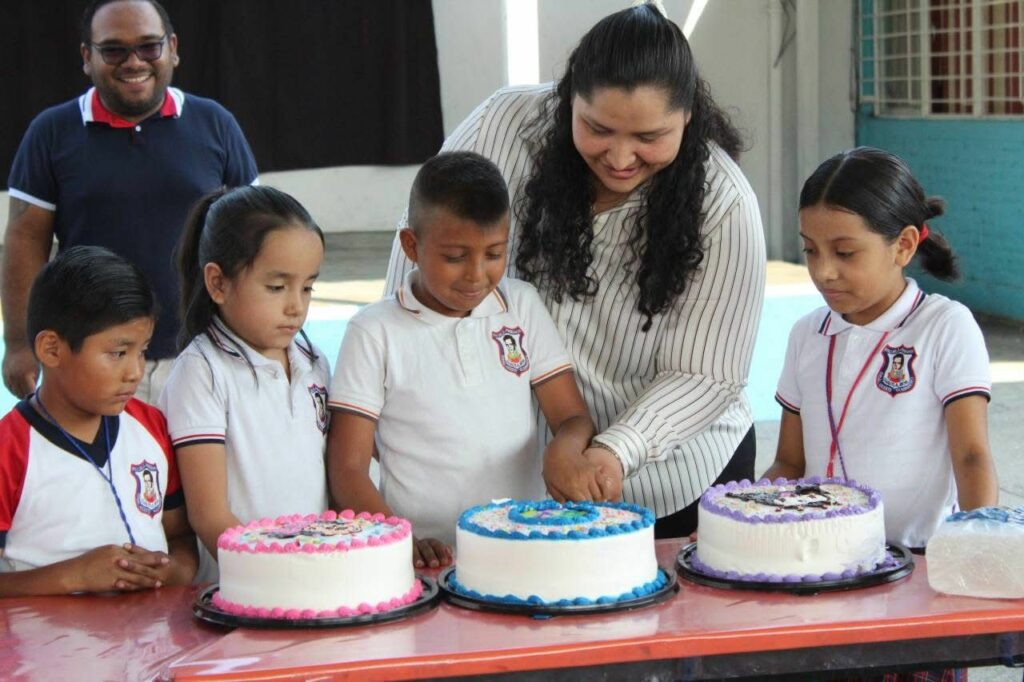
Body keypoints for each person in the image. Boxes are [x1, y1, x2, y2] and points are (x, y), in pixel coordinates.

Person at [384, 3, 766, 538]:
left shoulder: (723, 204)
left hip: (675, 477)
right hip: (519, 476)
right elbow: (424, 253)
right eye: (597, 128)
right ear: (569, 100)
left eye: (649, 138)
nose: (620, 158)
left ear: (688, 117)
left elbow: (706, 374)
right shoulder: (505, 127)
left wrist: (613, 450)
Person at [329, 152, 601, 568]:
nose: (476, 274)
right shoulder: (373, 331)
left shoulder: (521, 305)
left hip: (526, 544)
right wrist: (399, 540)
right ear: (411, 245)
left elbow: (572, 418)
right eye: (455, 257)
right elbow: (347, 467)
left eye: (494, 254)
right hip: (427, 558)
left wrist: (563, 449)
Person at [3, 0, 258, 403]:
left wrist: (258, 336)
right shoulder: (51, 132)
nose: (134, 61)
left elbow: (254, 237)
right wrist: (18, 342)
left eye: (148, 46)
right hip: (93, 358)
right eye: (113, 50)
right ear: (87, 57)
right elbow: (25, 239)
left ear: (172, 48)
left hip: (201, 354)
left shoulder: (215, 124)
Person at [766, 146, 998, 553]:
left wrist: (982, 547)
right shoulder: (807, 334)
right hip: (819, 554)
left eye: (845, 252)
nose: (823, 271)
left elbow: (971, 457)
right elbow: (790, 462)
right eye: (810, 250)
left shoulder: (943, 326)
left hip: (919, 559)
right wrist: (739, 518)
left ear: (904, 245)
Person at [0, 246, 196, 596]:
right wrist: (74, 576)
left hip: (150, 630)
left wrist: (170, 570)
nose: (135, 372)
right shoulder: (9, 449)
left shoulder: (152, 427)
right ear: (52, 349)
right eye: (118, 353)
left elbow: (180, 537)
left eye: (142, 351)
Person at [158, 185, 330, 582]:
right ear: (218, 283)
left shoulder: (313, 362)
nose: (296, 305)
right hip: (241, 589)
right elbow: (209, 515)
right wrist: (274, 577)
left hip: (315, 582)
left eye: (307, 287)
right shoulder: (201, 372)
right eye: (277, 287)